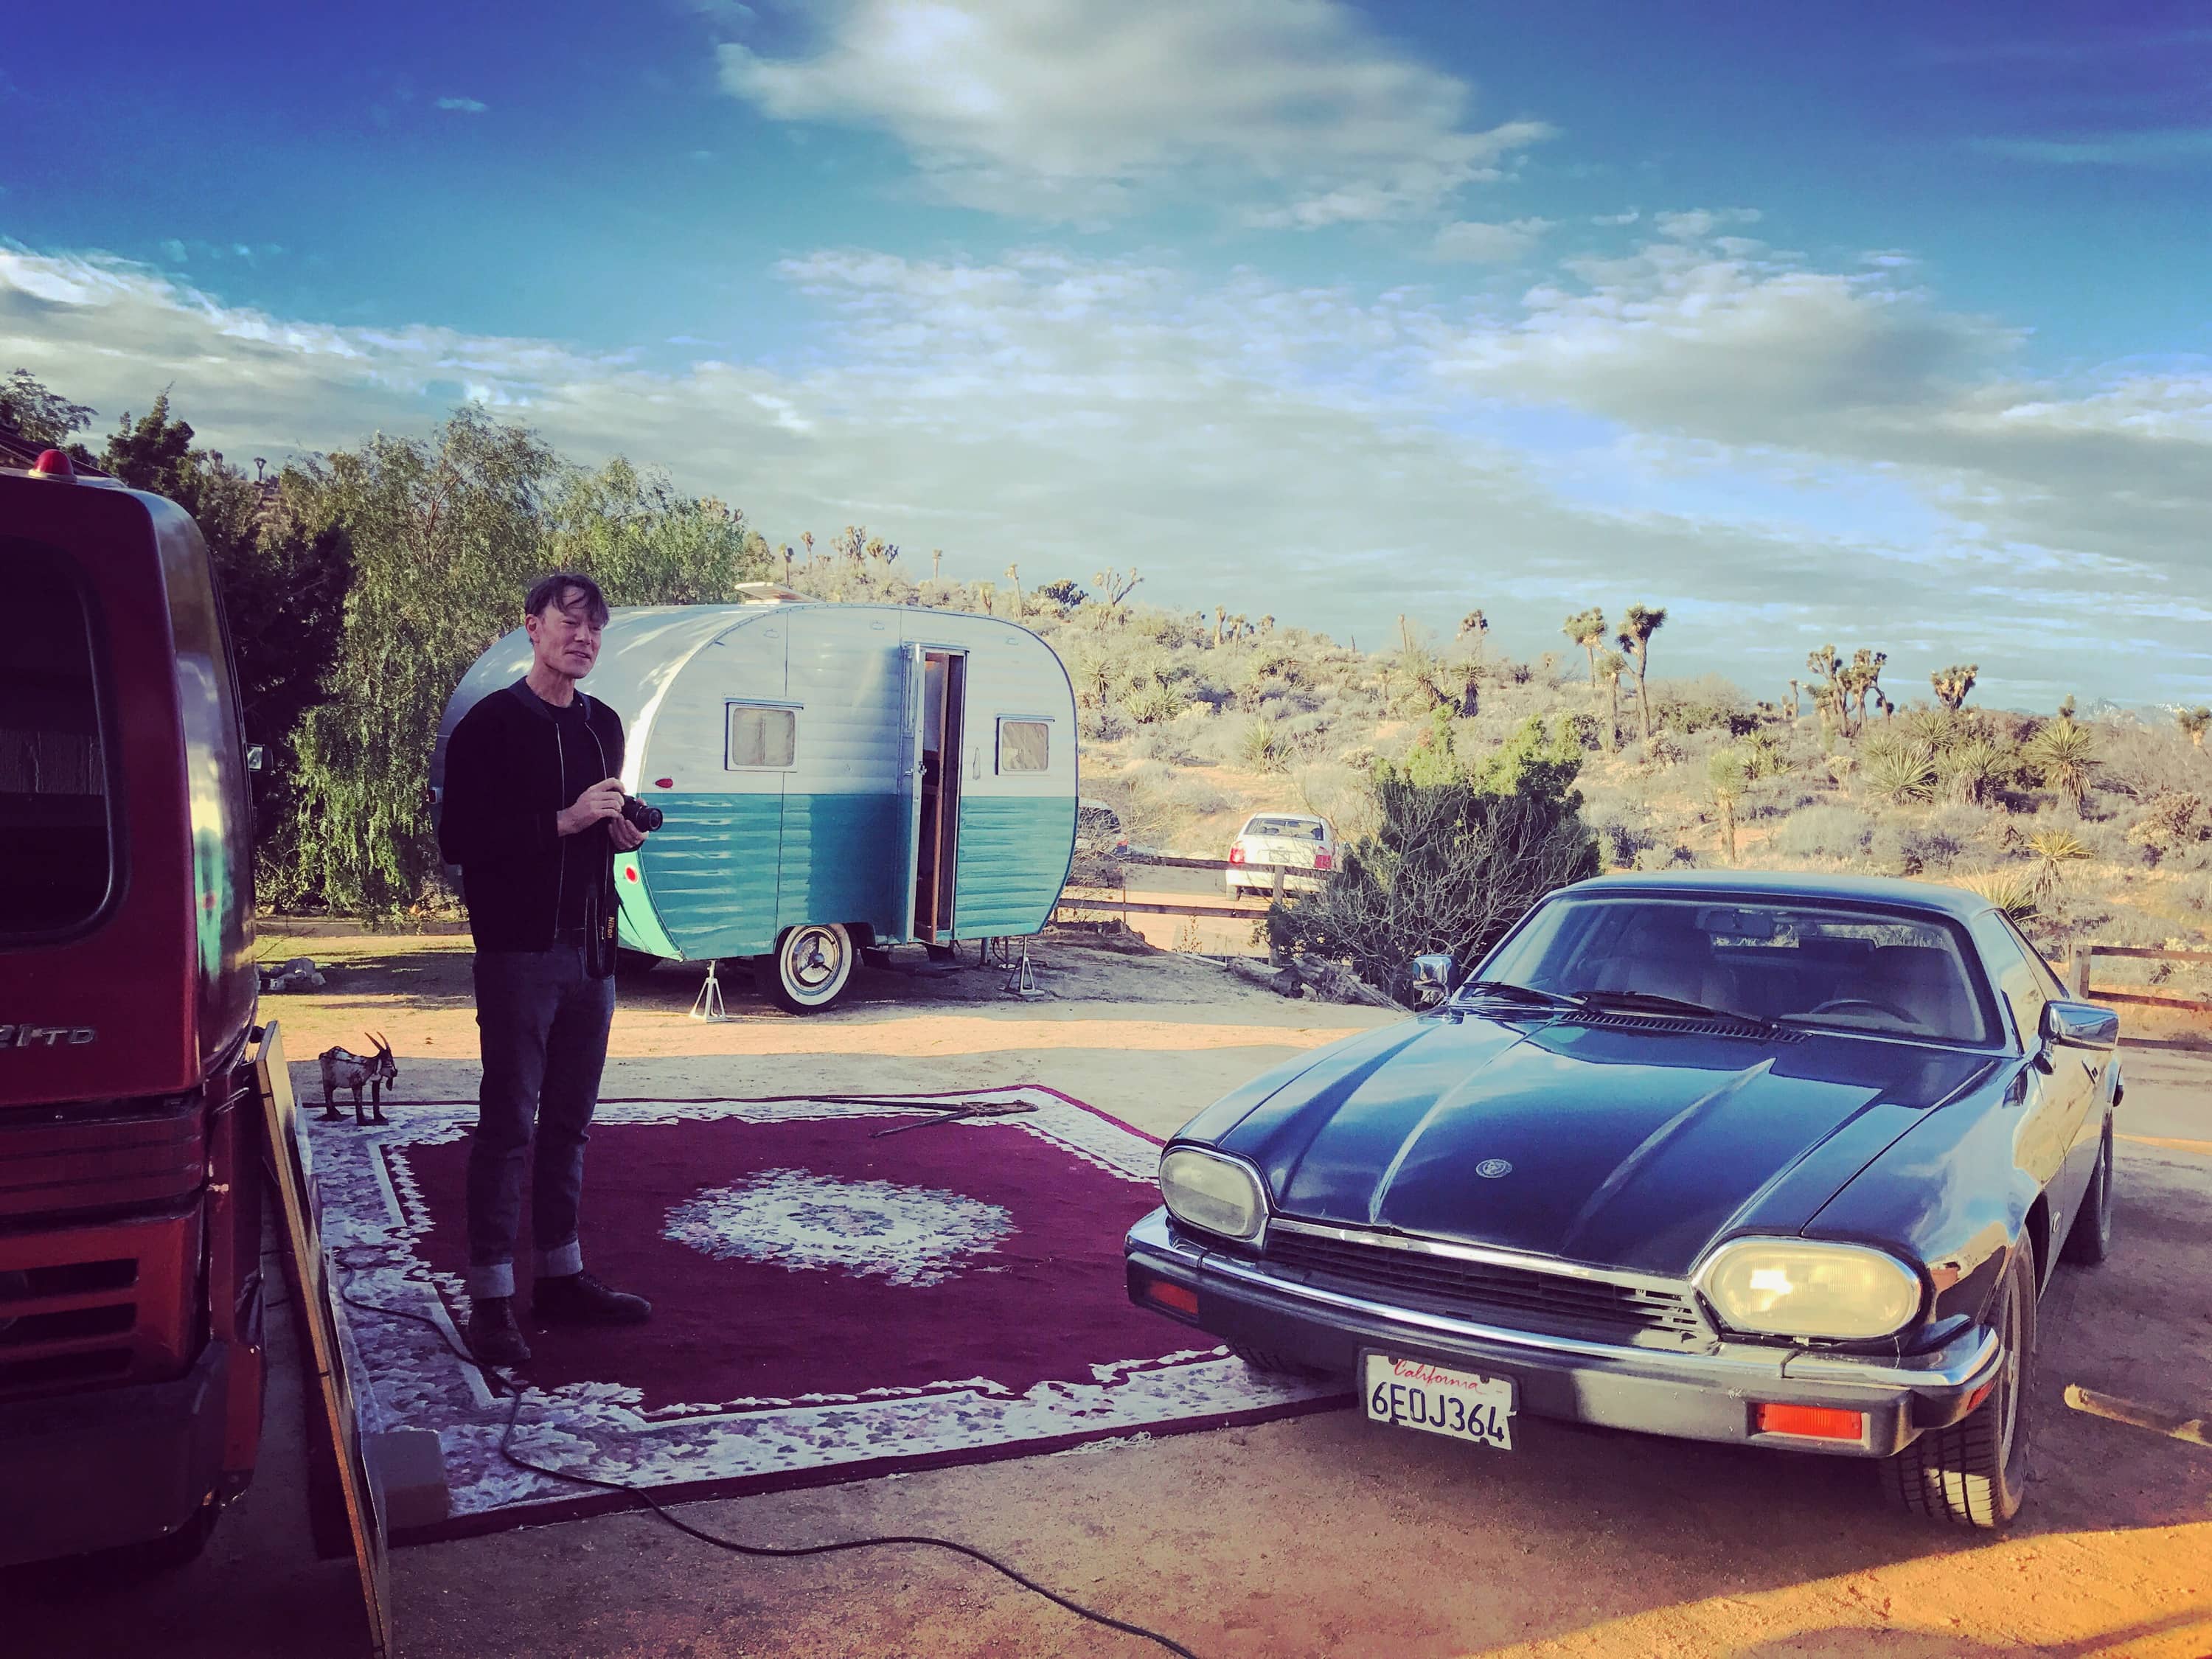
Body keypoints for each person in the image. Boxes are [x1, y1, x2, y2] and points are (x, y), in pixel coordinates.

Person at [437, 571, 652, 1366]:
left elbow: (597, 822)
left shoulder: (604, 726)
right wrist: (562, 821)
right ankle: (490, 1299)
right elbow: (459, 840)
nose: (584, 638)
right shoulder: (489, 727)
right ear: (530, 627)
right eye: (570, 623)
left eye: (596, 628)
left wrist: (617, 831)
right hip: (519, 954)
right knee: (507, 1127)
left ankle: (560, 1278)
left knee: (569, 1124)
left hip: (592, 953)